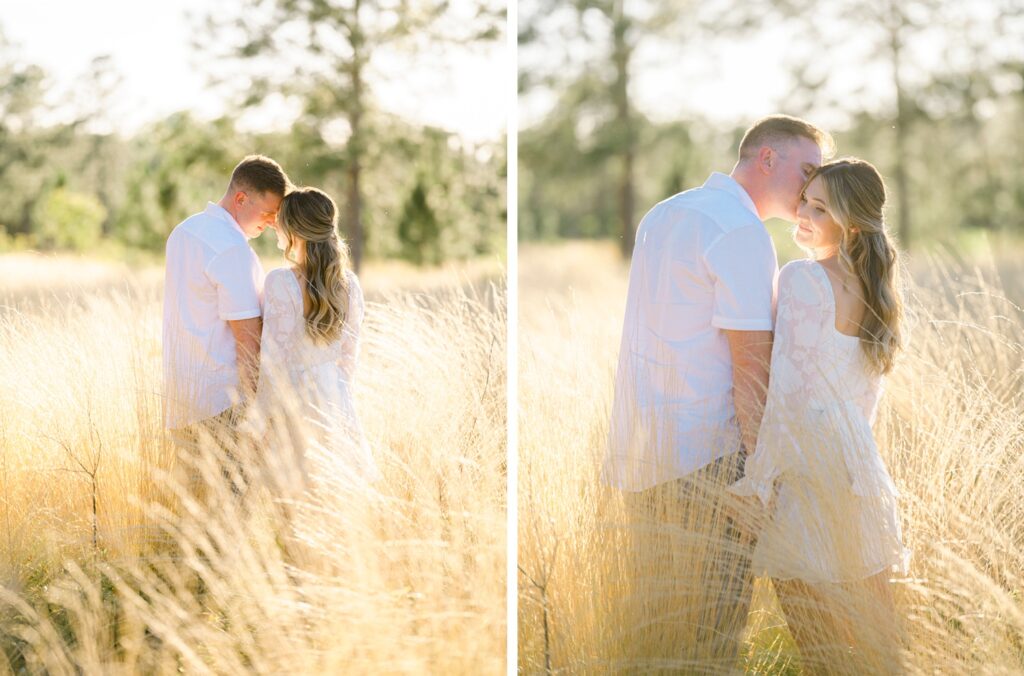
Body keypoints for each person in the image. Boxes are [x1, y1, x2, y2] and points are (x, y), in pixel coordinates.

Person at [603, 115, 834, 665]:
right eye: (807, 171)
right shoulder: (740, 231)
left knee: (659, 630)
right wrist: (760, 475)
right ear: (767, 159)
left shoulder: (665, 214)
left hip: (644, 457)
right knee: (712, 637)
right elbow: (750, 365)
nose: (811, 189)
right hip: (709, 463)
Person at [729, 159, 908, 672]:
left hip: (809, 465)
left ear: (851, 223)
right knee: (877, 642)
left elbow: (785, 388)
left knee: (819, 645)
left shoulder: (804, 279)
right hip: (859, 468)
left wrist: (759, 480)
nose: (800, 215)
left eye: (819, 208)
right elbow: (865, 400)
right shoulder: (878, 291)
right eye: (804, 200)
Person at [162, 154, 291, 494]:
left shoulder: (184, 231)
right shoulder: (233, 249)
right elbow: (248, 340)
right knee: (232, 515)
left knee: (195, 518)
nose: (273, 223)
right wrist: (256, 410)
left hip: (181, 397)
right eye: (268, 212)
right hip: (223, 403)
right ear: (240, 199)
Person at [243, 186, 380, 495]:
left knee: (294, 498)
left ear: (294, 230)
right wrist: (338, 400)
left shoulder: (280, 282)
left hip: (294, 401)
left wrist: (261, 421)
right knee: (331, 494)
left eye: (279, 220)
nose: (274, 226)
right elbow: (348, 358)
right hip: (335, 398)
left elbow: (273, 362)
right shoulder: (350, 284)